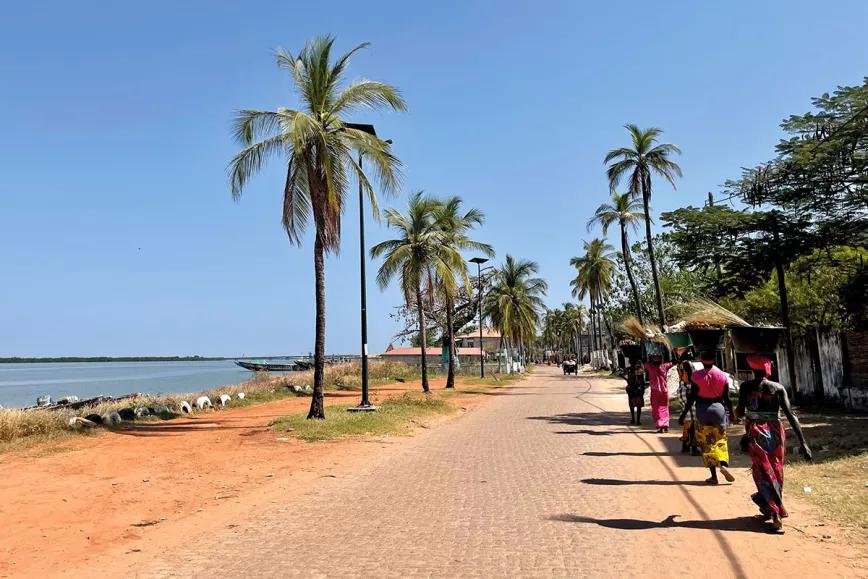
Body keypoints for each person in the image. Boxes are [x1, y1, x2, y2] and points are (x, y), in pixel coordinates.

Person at [736, 354, 812, 533]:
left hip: (755, 432)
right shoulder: (777, 388)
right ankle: (770, 507)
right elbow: (791, 415)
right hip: (775, 432)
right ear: (768, 368)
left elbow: (739, 412)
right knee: (775, 470)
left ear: (752, 368)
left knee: (761, 471)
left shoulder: (746, 387)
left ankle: (775, 513)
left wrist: (741, 412)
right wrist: (803, 442)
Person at [679, 350, 736, 484]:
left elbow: (691, 398)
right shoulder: (722, 375)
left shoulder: (696, 376)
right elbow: (727, 399)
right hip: (719, 410)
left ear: (701, 360)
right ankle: (723, 463)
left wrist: (683, 415)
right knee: (720, 439)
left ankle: (714, 477)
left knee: (707, 443)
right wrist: (732, 414)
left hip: (702, 410)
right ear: (715, 360)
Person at [676, 349, 700, 454]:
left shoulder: (679, 364)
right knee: (692, 421)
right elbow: (688, 378)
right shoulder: (686, 364)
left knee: (688, 420)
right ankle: (693, 447)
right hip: (687, 390)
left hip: (682, 390)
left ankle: (685, 445)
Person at [644, 352, 674, 433]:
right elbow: (672, 363)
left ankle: (660, 425)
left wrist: (648, 356)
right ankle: (666, 425)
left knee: (657, 409)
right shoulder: (664, 366)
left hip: (655, 392)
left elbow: (644, 364)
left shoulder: (650, 367)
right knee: (664, 408)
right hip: (664, 391)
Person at [622, 358, 647, 425]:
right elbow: (641, 380)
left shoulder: (629, 369)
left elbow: (622, 375)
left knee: (632, 405)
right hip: (637, 389)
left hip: (633, 388)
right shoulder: (637, 369)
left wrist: (628, 380)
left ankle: (634, 419)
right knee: (637, 405)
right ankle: (637, 420)